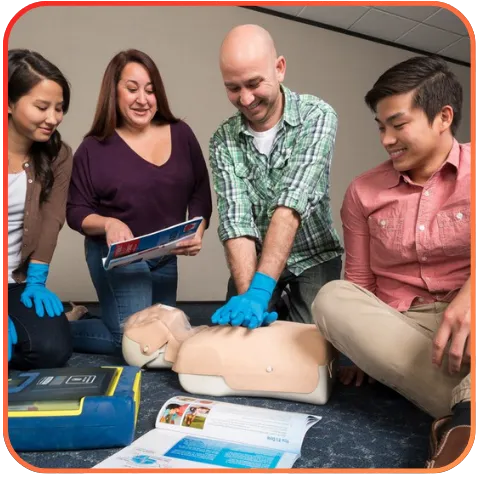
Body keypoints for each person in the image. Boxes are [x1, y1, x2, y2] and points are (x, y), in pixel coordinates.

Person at [311, 55, 471, 469]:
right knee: (331, 298)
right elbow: (359, 283)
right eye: (381, 127)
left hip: (470, 316)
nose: (386, 139)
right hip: (402, 325)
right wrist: (361, 348)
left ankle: (462, 424)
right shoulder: (363, 192)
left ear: (443, 117)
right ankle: (466, 404)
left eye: (398, 125)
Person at [66, 49, 212, 356]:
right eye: (132, 89)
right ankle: (58, 327)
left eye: (150, 90)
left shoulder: (181, 133)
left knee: (162, 339)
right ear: (113, 91)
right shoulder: (93, 148)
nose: (143, 99)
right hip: (120, 256)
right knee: (132, 344)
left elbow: (199, 189)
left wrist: (198, 227)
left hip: (164, 255)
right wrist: (109, 223)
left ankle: (85, 318)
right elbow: (75, 211)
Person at [209, 25, 343, 329]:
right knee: (243, 335)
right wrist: (249, 296)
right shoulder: (222, 140)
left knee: (310, 346)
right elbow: (237, 221)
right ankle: (270, 304)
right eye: (233, 87)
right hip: (256, 259)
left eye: (254, 83)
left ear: (279, 69)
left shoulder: (318, 116)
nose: (245, 99)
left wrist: (260, 293)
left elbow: (290, 204)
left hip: (314, 255)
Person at [7, 49, 73, 370]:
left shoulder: (58, 155)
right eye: (42, 107)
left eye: (59, 108)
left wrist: (36, 278)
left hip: (17, 282)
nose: (53, 118)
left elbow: (52, 218)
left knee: (52, 349)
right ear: (8, 102)